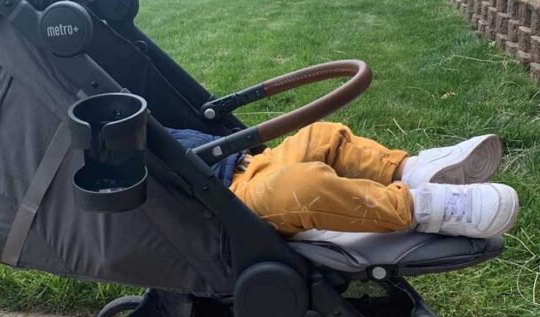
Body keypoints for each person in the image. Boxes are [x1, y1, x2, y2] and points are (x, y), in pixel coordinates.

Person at [170, 125, 518, 239]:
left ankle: (410, 170)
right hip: (226, 201)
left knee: (323, 136)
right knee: (304, 187)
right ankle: (422, 207)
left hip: (246, 161)